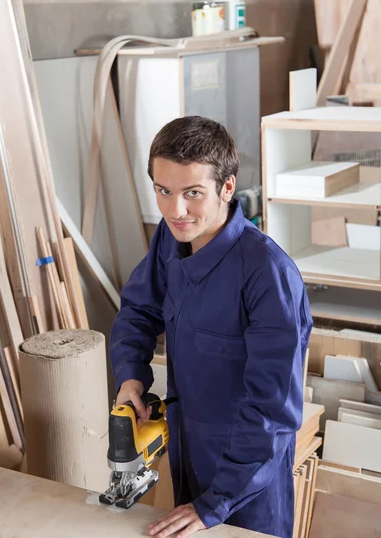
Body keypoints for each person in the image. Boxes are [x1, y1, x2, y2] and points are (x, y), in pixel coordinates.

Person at [110, 116, 312, 538]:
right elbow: (139, 310)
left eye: (192, 194)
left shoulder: (267, 275)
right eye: (163, 191)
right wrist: (130, 377)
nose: (174, 210)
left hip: (250, 479)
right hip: (188, 452)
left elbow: (272, 413)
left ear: (227, 187)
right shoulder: (172, 240)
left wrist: (215, 504)